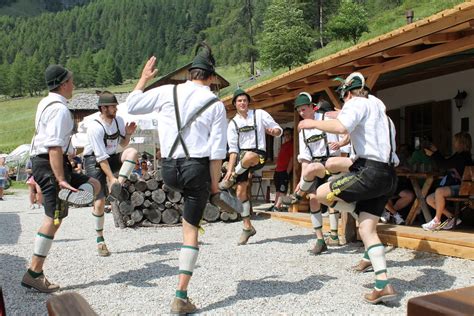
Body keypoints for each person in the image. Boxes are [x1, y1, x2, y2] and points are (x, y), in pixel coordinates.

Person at [126, 43, 231, 314]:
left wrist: (144, 77)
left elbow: (133, 105)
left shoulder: (167, 91)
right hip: (196, 169)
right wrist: (215, 187)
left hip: (169, 170)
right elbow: (218, 151)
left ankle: (187, 214)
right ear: (210, 78)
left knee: (186, 215)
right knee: (191, 230)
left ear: (189, 74)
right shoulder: (215, 104)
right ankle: (181, 296)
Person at [302, 72, 399, 304]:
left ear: (347, 93)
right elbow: (347, 122)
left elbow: (341, 124)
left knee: (322, 193)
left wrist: (312, 121)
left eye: (343, 98)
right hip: (389, 175)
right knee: (367, 229)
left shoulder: (356, 103)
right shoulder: (382, 114)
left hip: (369, 171)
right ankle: (382, 284)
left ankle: (352, 208)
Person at [21, 64, 100, 293]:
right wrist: (60, 179)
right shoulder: (60, 110)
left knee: (94, 184)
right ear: (64, 83)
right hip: (50, 163)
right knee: (53, 218)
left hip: (52, 162)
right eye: (71, 80)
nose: (73, 85)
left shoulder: (47, 103)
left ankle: (70, 198)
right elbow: (54, 146)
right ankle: (34, 273)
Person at [219, 87, 282, 245]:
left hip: (258, 155)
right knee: (241, 192)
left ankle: (231, 179)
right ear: (235, 104)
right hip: (241, 159)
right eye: (239, 100)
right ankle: (247, 226)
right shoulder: (233, 123)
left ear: (248, 102)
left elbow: (277, 128)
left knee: (249, 156)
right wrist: (231, 169)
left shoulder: (259, 114)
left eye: (245, 100)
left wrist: (275, 132)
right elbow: (233, 151)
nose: (242, 103)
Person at [281, 93, 342, 255]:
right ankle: (320, 239)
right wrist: (302, 180)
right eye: (299, 111)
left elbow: (345, 128)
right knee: (314, 199)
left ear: (311, 106)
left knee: (330, 197)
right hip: (313, 165)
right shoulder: (302, 131)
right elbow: (305, 159)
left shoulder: (327, 119)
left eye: (303, 109)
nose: (301, 113)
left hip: (331, 162)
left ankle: (334, 235)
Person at [83, 90, 138, 256]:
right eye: (112, 106)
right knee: (99, 204)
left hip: (111, 157)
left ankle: (117, 187)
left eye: (115, 106)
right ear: (103, 108)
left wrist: (128, 133)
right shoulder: (95, 128)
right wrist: (111, 177)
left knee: (132, 152)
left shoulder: (119, 120)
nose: (116, 108)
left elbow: (123, 143)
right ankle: (100, 240)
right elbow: (101, 159)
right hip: (94, 161)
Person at [422, 132, 472, 231]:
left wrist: (433, 154)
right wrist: (436, 152)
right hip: (460, 187)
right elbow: (446, 162)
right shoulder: (461, 155)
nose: (454, 144)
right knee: (429, 199)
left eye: (455, 141)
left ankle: (436, 221)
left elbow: (443, 165)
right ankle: (452, 217)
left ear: (461, 143)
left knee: (439, 192)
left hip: (463, 189)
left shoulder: (462, 156)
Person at [269, 127, 293, 212]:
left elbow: (291, 159)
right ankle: (275, 204)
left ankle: (278, 206)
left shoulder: (292, 145)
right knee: (278, 189)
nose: (286, 136)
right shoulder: (283, 145)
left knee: (282, 189)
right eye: (285, 135)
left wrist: (287, 171)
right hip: (278, 170)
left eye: (288, 134)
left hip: (284, 170)